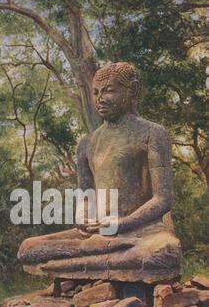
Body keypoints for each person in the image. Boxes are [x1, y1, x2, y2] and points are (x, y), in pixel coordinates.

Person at [18, 62, 181, 284]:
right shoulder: (87, 143)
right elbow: (87, 197)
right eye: (96, 92)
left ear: (131, 90)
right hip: (97, 234)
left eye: (109, 91)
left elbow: (163, 199)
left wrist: (122, 224)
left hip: (144, 232)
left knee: (164, 252)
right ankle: (105, 254)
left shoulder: (153, 133)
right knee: (28, 249)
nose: (100, 99)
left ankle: (81, 262)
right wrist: (84, 217)